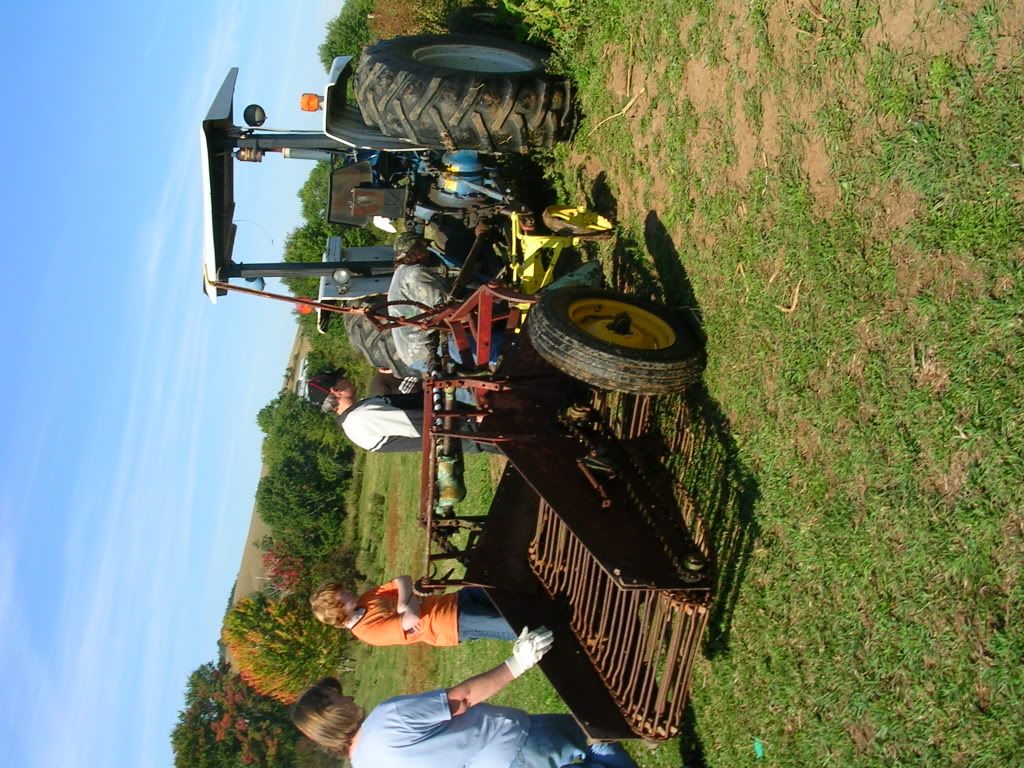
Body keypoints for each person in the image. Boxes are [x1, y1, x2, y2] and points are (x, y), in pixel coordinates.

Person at [291, 628, 640, 768]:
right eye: (336, 698)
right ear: (330, 711)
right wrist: (518, 662)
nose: (347, 696)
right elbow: (462, 700)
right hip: (516, 743)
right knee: (590, 734)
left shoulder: (365, 765)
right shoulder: (385, 719)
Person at [312, 368, 494, 454]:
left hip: (464, 431)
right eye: (340, 378)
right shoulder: (361, 417)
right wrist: (472, 418)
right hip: (469, 430)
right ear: (335, 391)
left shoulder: (355, 417)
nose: (345, 378)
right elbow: (423, 423)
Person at [309, 575, 516, 647]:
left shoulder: (366, 599)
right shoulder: (367, 632)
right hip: (453, 623)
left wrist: (403, 604)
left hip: (456, 598)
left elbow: (403, 580)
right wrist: (411, 603)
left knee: (510, 591)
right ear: (337, 610)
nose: (348, 591)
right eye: (342, 595)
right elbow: (413, 618)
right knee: (517, 626)